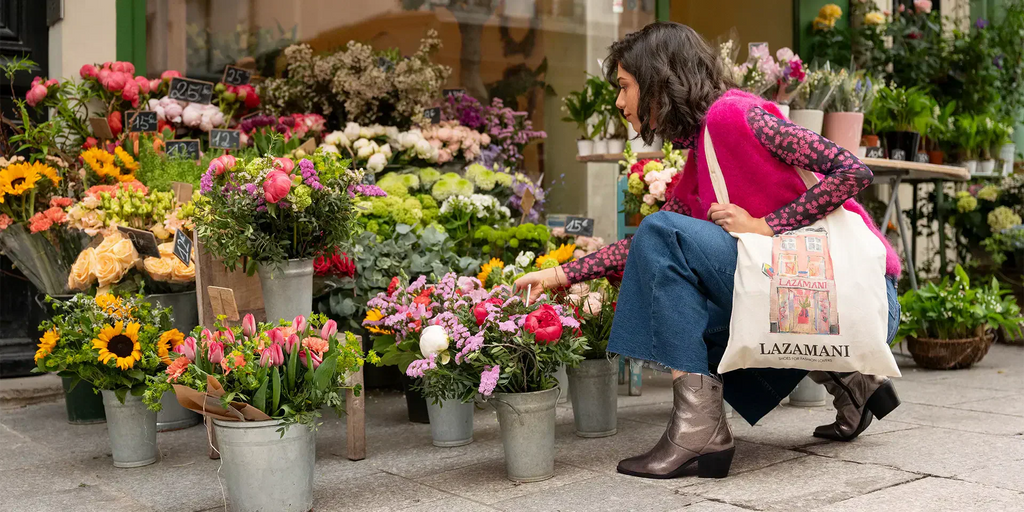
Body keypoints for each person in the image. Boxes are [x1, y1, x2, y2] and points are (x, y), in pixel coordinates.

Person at [513, 22, 902, 480]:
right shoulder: (703, 151)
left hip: (858, 298)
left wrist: (765, 225)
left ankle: (700, 430)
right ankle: (853, 382)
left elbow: (851, 170)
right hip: (807, 298)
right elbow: (647, 245)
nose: (619, 101)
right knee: (665, 250)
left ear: (658, 80)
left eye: (624, 86)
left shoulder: (734, 115)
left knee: (664, 237)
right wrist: (559, 275)